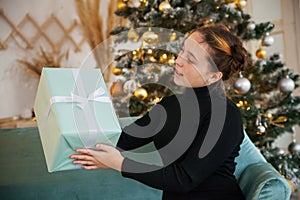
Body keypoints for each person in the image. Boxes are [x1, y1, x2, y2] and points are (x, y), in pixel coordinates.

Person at [70, 25, 251, 200]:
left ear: (214, 76)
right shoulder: (169, 105)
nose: (178, 60)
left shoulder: (226, 116)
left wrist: (119, 163)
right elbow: (123, 140)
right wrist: (80, 112)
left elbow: (183, 179)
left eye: (191, 59)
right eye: (182, 51)